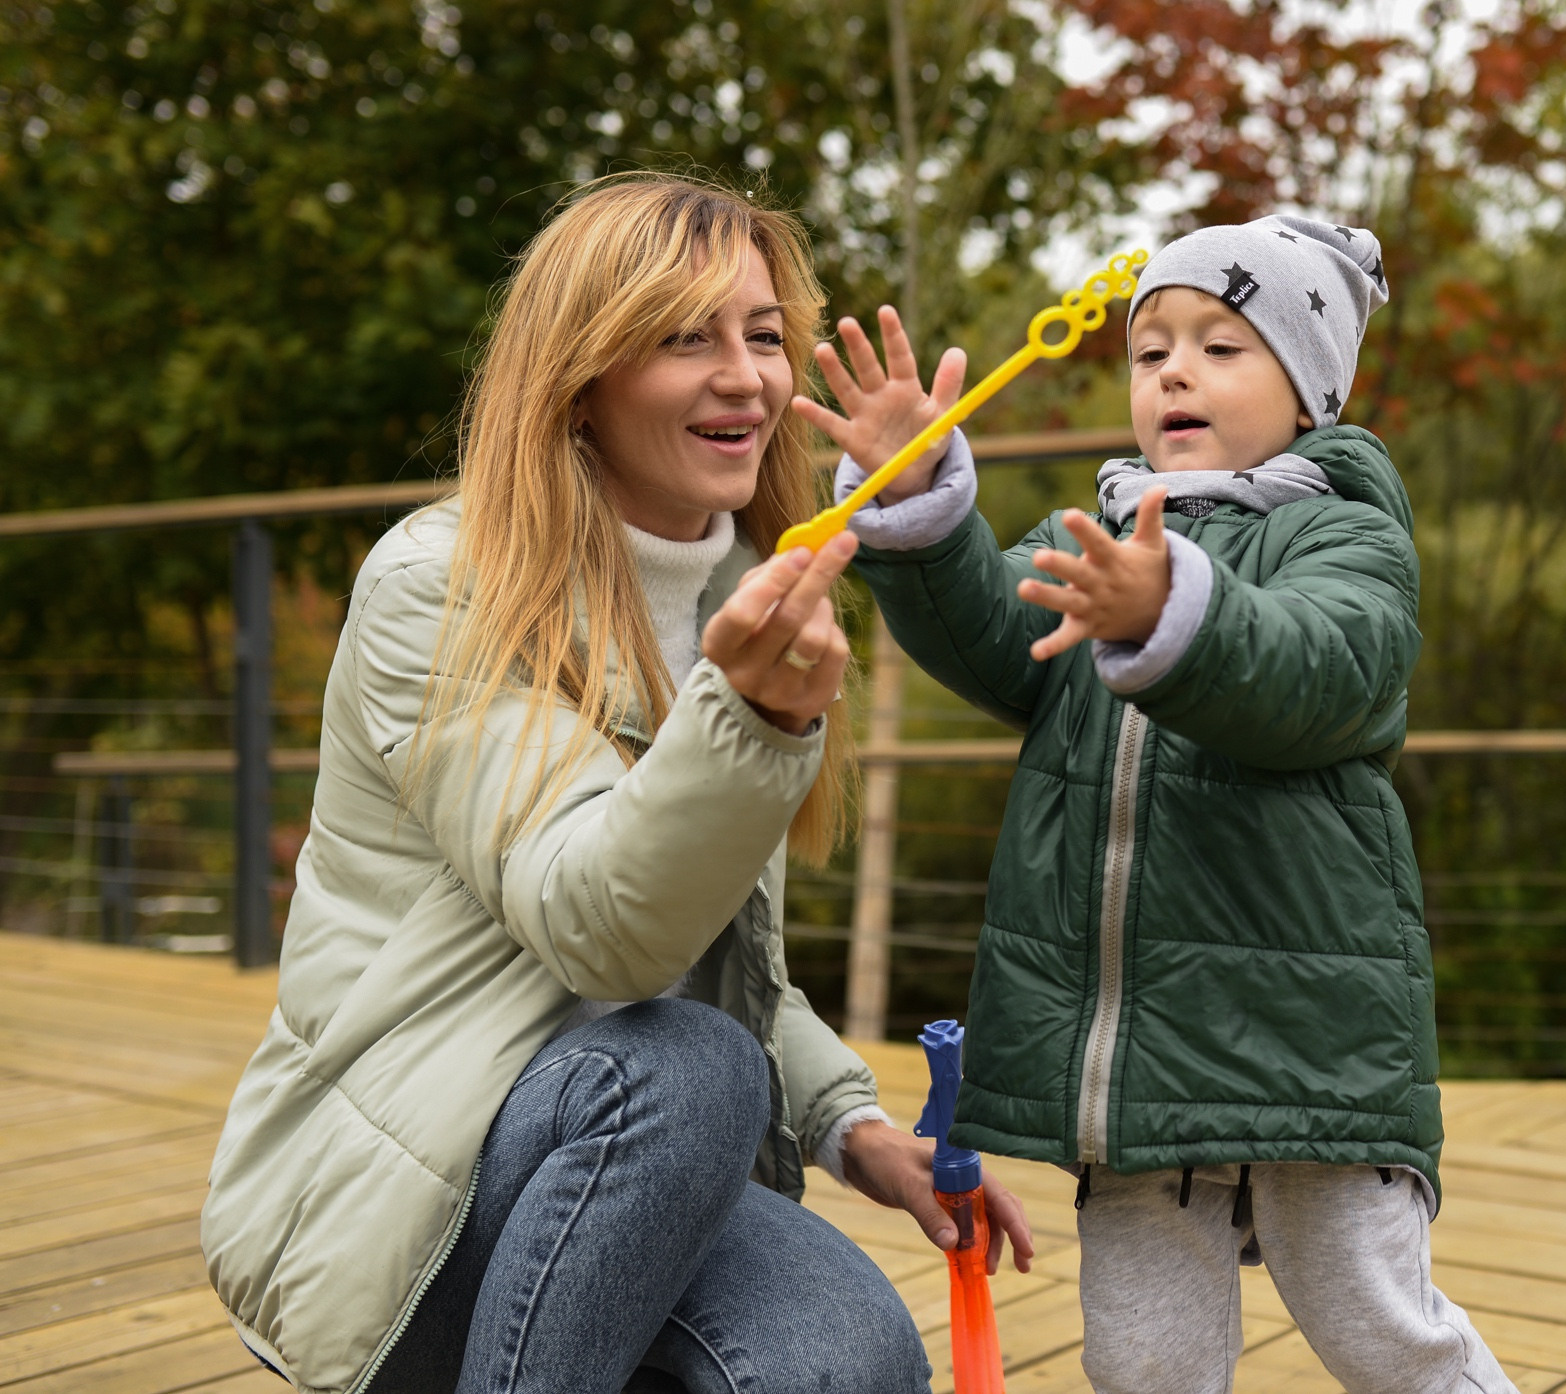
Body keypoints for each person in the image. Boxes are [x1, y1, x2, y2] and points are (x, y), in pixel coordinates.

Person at [199, 173, 1031, 1394]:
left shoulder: (740, 586)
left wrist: (854, 1131)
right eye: (684, 337)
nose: (745, 376)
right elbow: (607, 940)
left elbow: (724, 958)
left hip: (625, 1164)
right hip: (397, 1213)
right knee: (688, 1069)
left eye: (761, 334)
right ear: (581, 379)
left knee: (849, 1361)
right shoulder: (441, 585)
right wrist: (748, 720)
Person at [794, 216, 1509, 1393]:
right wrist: (917, 497)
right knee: (1140, 1360)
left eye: (1222, 345)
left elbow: (1319, 667)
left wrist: (1176, 608)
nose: (1173, 368)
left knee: (1382, 1329)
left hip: (1306, 1043)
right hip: (1126, 1057)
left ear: (1310, 390)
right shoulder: (1104, 531)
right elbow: (993, 630)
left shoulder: (1343, 533)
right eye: (1151, 348)